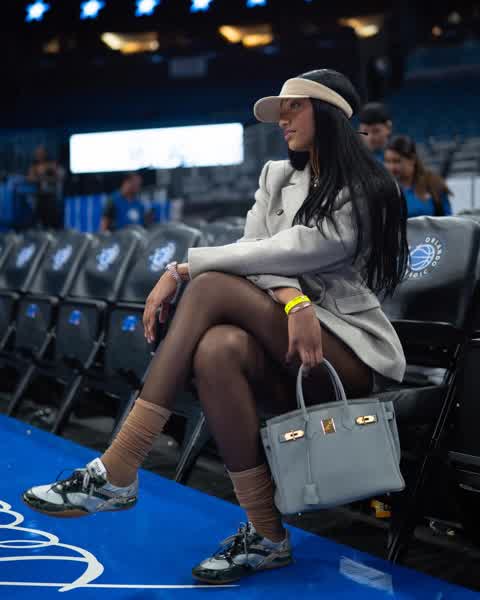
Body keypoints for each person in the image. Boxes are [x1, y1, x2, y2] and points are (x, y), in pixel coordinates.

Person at [23, 69, 408, 584]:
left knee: (206, 286)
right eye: (280, 111)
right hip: (289, 333)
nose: (282, 120)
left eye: (294, 107)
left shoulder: (366, 187)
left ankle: (121, 464)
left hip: (346, 352)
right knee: (216, 350)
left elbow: (298, 250)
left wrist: (182, 269)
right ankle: (267, 534)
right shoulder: (276, 176)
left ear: (330, 113)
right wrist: (293, 300)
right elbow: (254, 252)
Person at [385, 135, 453, 217]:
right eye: (387, 161)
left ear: (412, 159)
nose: (391, 167)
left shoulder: (433, 183)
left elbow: (447, 219)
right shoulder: (385, 189)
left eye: (396, 161)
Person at [27, 145, 65, 228]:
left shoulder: (52, 164)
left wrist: (46, 177)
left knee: (52, 217)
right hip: (39, 195)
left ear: (45, 154)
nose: (39, 155)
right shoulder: (34, 165)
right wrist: (39, 177)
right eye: (37, 154)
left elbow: (60, 177)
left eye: (41, 153)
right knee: (39, 217)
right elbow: (30, 178)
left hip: (51, 195)